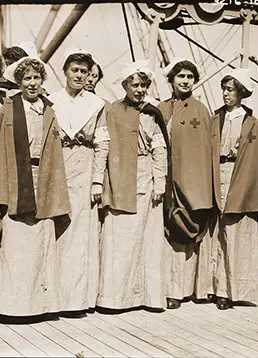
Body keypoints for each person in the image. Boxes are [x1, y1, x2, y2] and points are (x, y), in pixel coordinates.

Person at [0, 56, 71, 318]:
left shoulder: (49, 109)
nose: (32, 83)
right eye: (27, 79)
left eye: (36, 78)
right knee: (15, 246)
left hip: (42, 177)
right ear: (19, 82)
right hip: (16, 178)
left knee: (41, 244)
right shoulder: (9, 108)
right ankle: (12, 308)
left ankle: (41, 306)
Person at [99, 61, 168, 311]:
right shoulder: (113, 111)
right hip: (120, 176)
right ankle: (117, 298)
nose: (139, 89)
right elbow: (104, 146)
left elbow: (159, 149)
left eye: (143, 85)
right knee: (121, 238)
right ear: (125, 85)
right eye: (134, 84)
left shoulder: (153, 112)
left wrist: (160, 181)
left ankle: (148, 297)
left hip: (145, 175)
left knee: (147, 237)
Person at [49, 49, 109, 314]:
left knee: (81, 236)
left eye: (84, 71)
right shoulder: (51, 101)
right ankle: (55, 299)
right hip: (59, 169)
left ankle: (77, 301)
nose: (79, 75)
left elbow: (102, 144)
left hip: (84, 171)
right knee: (58, 231)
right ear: (65, 72)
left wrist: (97, 180)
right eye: (74, 70)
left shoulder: (96, 105)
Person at [211, 69, 258, 309]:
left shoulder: (250, 123)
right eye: (224, 89)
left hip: (239, 181)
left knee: (238, 235)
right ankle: (217, 288)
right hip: (218, 175)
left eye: (231, 90)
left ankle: (234, 290)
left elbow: (254, 160)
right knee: (218, 236)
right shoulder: (215, 117)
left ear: (241, 93)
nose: (226, 94)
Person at [158, 58, 220, 309]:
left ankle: (197, 289)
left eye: (189, 77)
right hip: (168, 181)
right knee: (171, 234)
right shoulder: (160, 109)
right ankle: (172, 290)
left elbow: (207, 150)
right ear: (171, 80)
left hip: (194, 183)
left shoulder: (201, 110)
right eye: (180, 76)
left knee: (195, 233)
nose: (185, 81)